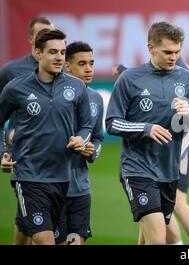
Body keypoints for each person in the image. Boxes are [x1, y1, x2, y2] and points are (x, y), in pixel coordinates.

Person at [105, 21, 189, 245]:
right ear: (150, 48)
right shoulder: (129, 79)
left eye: (177, 52)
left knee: (149, 239)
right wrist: (145, 128)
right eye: (168, 52)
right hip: (137, 169)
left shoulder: (187, 79)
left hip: (169, 172)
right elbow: (111, 123)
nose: (173, 57)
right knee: (158, 239)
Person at [0, 28, 93, 245]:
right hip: (29, 177)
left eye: (62, 52)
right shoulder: (16, 88)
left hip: (63, 179)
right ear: (37, 53)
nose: (59, 57)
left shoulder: (76, 87)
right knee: (45, 241)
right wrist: (3, 152)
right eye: (53, 52)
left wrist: (81, 139)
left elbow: (86, 125)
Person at [0, 16, 54, 245]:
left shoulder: (60, 68)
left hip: (56, 154)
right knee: (38, 217)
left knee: (28, 214)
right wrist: (4, 147)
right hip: (24, 153)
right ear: (31, 38)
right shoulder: (12, 71)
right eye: (41, 34)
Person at [53, 41, 104, 245]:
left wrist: (92, 151)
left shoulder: (95, 99)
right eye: (82, 64)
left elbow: (98, 137)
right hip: (50, 186)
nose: (89, 69)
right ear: (67, 66)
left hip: (80, 189)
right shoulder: (52, 95)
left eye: (91, 63)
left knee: (75, 242)